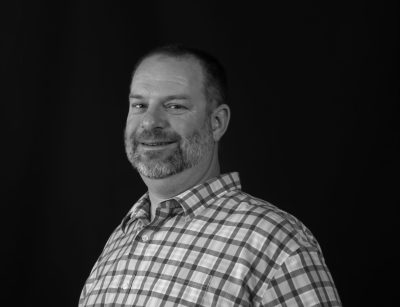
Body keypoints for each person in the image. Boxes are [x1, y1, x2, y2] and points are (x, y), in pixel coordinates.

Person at [79, 44, 342, 306]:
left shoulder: (274, 242)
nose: (149, 121)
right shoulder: (122, 238)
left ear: (217, 122)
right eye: (139, 105)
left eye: (175, 106)